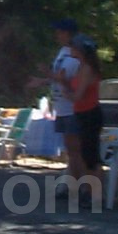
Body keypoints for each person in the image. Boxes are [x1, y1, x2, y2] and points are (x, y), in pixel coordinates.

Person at [29, 19, 81, 197]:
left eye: (60, 32)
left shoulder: (76, 55)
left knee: (75, 149)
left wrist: (47, 74)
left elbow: (68, 79)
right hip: (62, 106)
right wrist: (44, 80)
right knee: (69, 148)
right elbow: (58, 77)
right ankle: (70, 183)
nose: (57, 35)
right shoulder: (63, 52)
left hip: (73, 107)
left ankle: (75, 187)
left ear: (68, 34)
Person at [66, 34, 103, 208]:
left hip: (90, 113)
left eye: (74, 47)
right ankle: (88, 191)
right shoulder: (81, 66)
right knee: (84, 153)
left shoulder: (87, 68)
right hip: (82, 113)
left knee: (91, 156)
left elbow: (78, 95)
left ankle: (95, 194)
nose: (71, 49)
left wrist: (65, 93)